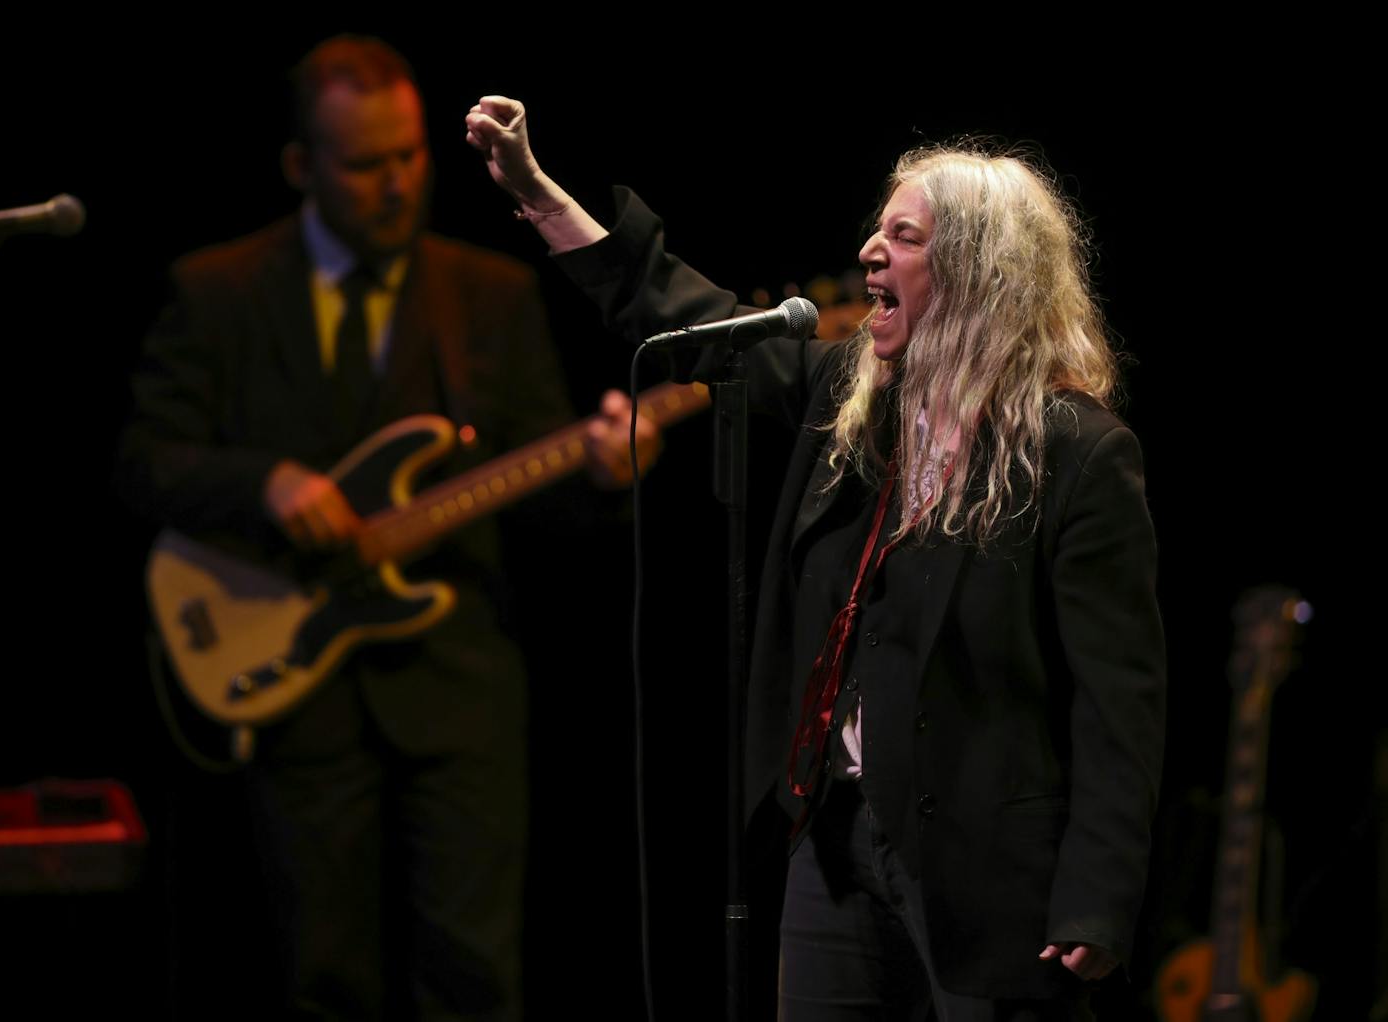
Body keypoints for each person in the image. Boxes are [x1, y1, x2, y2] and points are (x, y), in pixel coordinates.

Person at [465, 96, 1166, 1020]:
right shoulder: (852, 398)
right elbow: (687, 318)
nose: (871, 251)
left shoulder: (1074, 451)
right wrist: (539, 193)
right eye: (878, 231)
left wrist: (1097, 897)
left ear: (976, 272)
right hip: (831, 842)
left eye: (904, 237)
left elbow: (1119, 699)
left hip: (991, 879)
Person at [118, 42, 656, 1020]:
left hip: (460, 695)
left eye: (409, 156)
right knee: (320, 979)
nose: (398, 183)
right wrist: (263, 481)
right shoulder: (219, 289)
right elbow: (144, 461)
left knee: (474, 977)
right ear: (300, 167)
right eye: (366, 165)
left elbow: (541, 497)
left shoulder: (487, 292)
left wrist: (604, 472)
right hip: (296, 689)